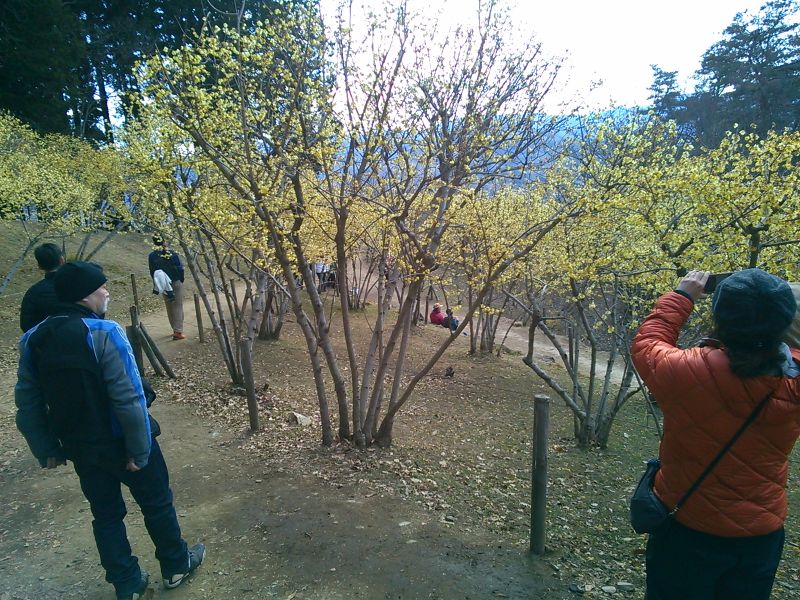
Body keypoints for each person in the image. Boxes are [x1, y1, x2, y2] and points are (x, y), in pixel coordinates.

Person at [15, 261, 205, 600]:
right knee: (157, 503)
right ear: (85, 295)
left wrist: (46, 448)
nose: (106, 292)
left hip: (81, 447)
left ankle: (127, 583)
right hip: (122, 443)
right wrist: (140, 450)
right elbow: (128, 397)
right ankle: (176, 565)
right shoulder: (104, 332)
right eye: (101, 287)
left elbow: (28, 402)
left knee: (105, 515)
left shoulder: (32, 339)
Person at [631, 268, 800, 600]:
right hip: (759, 538)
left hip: (686, 528)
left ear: (720, 317)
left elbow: (647, 342)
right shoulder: (793, 386)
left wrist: (682, 296)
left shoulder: (684, 370)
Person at [19, 242, 65, 332]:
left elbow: (25, 324)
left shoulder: (34, 292)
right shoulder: (76, 286)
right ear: (62, 260)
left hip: (42, 338)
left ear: (39, 266)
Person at [148, 236, 185, 340]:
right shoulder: (172, 253)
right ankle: (178, 331)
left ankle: (174, 328)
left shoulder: (152, 256)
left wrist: (158, 283)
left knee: (169, 306)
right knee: (177, 305)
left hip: (163, 283)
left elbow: (152, 271)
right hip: (175, 281)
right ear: (164, 241)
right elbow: (180, 267)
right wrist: (181, 279)